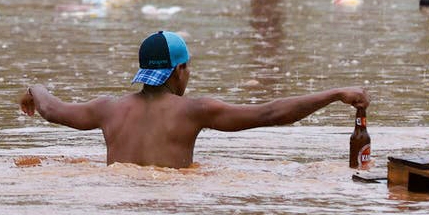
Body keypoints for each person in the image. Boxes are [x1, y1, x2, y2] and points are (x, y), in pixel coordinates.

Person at [18, 30, 369, 169]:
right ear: (179, 70)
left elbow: (52, 109)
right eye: (187, 69)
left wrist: (35, 89)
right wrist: (335, 93)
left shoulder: (108, 108)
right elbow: (272, 113)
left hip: (118, 202)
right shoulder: (194, 110)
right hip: (173, 203)